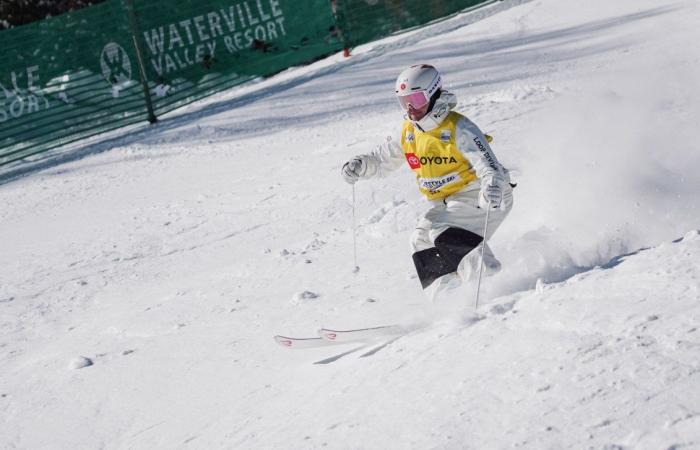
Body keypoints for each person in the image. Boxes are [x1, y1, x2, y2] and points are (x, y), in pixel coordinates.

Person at [341, 64, 514, 301]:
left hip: (484, 195)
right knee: (420, 239)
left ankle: (487, 282)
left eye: (416, 99)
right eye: (404, 101)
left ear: (433, 95)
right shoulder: (410, 132)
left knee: (441, 230)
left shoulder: (457, 127)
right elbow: (382, 160)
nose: (411, 108)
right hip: (450, 202)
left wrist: (492, 185)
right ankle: (447, 296)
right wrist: (361, 165)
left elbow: (489, 164)